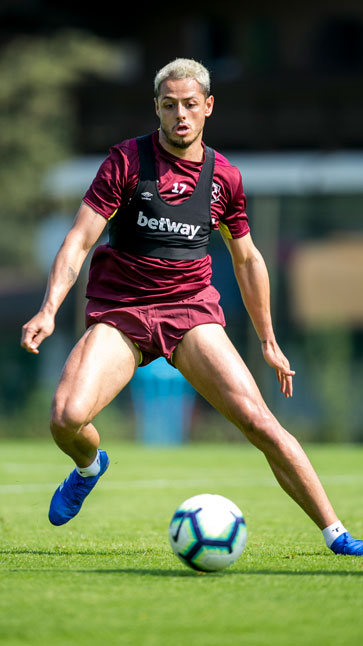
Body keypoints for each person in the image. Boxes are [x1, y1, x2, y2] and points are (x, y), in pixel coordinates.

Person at [21, 57, 362, 556]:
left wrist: (268, 339)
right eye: (168, 105)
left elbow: (247, 260)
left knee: (259, 421)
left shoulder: (225, 178)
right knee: (65, 418)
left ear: (208, 107)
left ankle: (338, 534)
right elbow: (78, 240)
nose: (179, 115)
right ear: (156, 109)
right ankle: (90, 466)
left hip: (189, 313)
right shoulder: (126, 162)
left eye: (189, 105)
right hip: (123, 312)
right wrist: (49, 308)